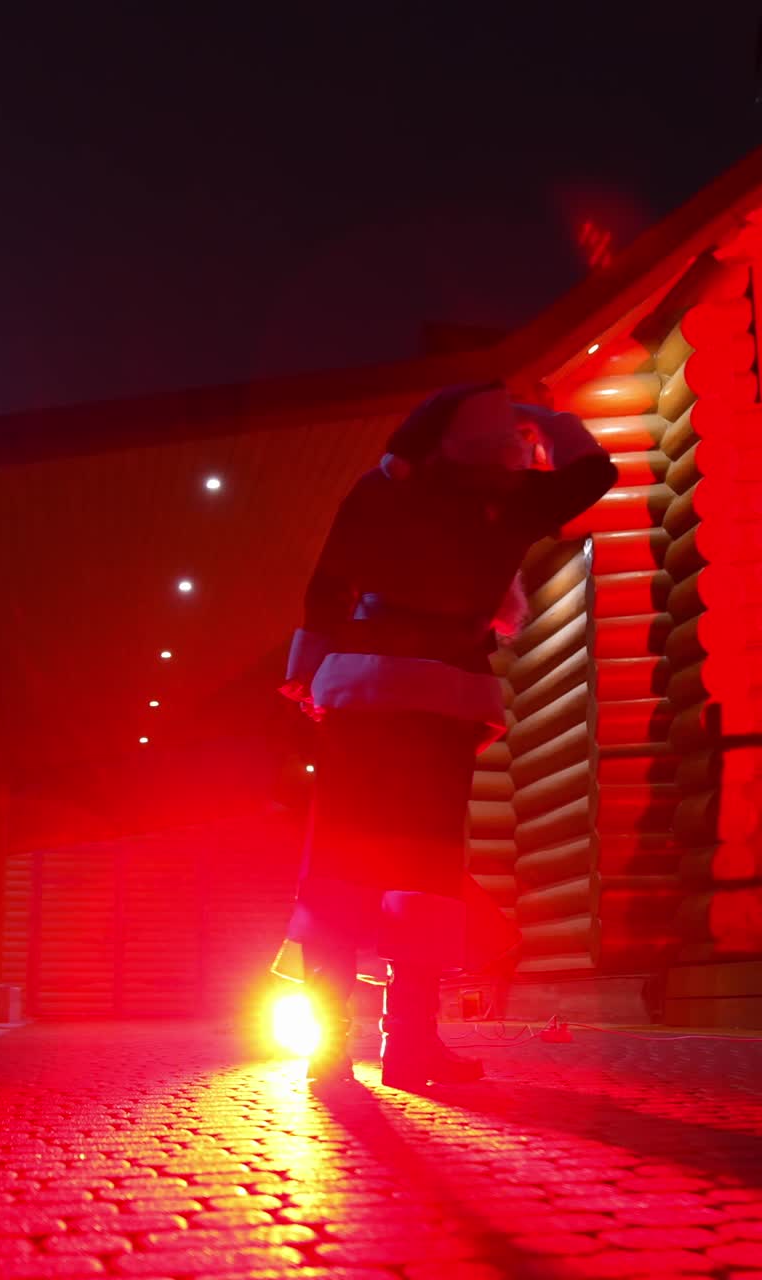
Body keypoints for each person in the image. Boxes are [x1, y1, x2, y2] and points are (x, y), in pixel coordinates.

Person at [276, 381, 617, 1089]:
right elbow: (595, 472)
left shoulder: (380, 492)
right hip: (438, 700)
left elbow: (326, 586)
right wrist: (547, 417)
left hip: (360, 694)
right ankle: (410, 1047)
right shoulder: (507, 500)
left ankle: (329, 1048)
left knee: (340, 868)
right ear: (497, 443)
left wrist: (307, 673)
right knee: (422, 878)